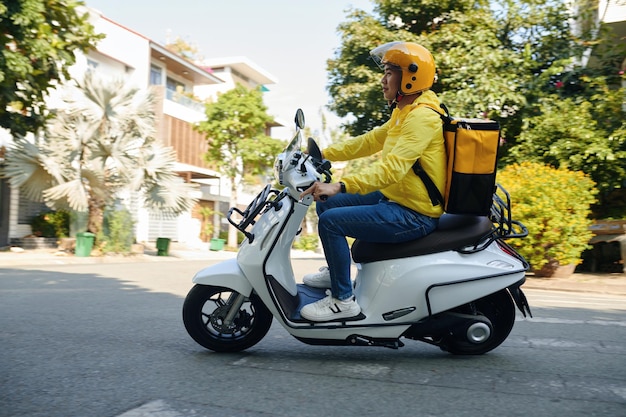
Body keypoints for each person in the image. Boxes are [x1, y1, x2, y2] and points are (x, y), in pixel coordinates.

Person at [299, 41, 447, 322]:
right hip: (396, 199)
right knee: (327, 204)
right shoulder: (404, 112)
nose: (383, 80)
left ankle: (343, 301)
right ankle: (337, 273)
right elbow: (367, 142)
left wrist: (340, 185)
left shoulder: (423, 118)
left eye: (390, 73)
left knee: (331, 221)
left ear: (411, 76)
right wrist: (319, 153)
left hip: (414, 214)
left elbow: (391, 171)